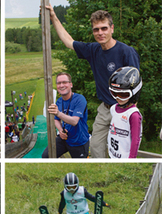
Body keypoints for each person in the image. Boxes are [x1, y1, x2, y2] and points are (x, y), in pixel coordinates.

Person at [45, 7, 139, 158]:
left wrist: (130, 112)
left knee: (121, 150)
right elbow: (69, 42)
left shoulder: (126, 52)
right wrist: (53, 16)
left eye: (104, 28)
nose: (100, 33)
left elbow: (135, 85)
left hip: (124, 109)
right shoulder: (93, 49)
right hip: (104, 109)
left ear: (112, 28)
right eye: (96, 29)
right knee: (95, 147)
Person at [41, 72, 90, 158]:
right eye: (59, 83)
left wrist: (58, 113)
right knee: (46, 156)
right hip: (65, 138)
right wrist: (60, 130)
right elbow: (56, 119)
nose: (61, 85)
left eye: (64, 82)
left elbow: (74, 121)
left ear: (71, 84)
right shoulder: (59, 101)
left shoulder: (80, 99)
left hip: (78, 141)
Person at [107, 66, 142, 159]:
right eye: (114, 93)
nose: (118, 98)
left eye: (123, 95)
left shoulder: (133, 115)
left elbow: (135, 140)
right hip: (112, 154)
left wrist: (131, 159)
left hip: (124, 157)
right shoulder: (113, 108)